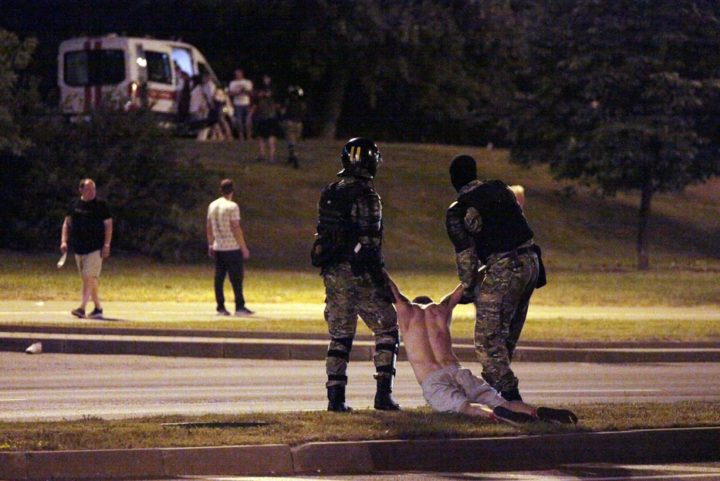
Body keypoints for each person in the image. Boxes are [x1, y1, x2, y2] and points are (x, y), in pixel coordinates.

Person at [386, 273, 577, 426]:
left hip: (433, 379)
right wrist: (486, 266)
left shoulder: (406, 311)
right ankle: (535, 412)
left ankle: (494, 415)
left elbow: (392, 289)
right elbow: (462, 287)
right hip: (458, 371)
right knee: (504, 402)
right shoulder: (441, 310)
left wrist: (376, 264)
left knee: (464, 407)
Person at [445, 155, 546, 402]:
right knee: (505, 336)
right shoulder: (500, 189)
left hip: (505, 267)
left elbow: (466, 257)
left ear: (454, 180)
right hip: (532, 263)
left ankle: (513, 401)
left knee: (488, 342)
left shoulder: (460, 210)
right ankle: (494, 396)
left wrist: (468, 288)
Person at [311, 138, 400, 412]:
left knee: (340, 335)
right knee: (387, 328)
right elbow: (369, 245)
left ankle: (335, 399)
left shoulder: (330, 192)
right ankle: (383, 394)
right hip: (360, 273)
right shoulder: (368, 196)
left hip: (333, 272)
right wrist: (382, 282)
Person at [60, 178, 113, 319]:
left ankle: (82, 308)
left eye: (93, 188)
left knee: (88, 276)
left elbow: (108, 225)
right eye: (88, 189)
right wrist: (64, 241)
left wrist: (106, 244)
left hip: (95, 248)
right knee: (89, 279)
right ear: (81, 190)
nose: (92, 191)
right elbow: (66, 224)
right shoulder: (74, 204)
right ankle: (98, 308)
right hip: (79, 247)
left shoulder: (101, 205)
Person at [206, 178, 253, 316]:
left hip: (218, 246)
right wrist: (243, 247)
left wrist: (211, 243)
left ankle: (220, 306)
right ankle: (239, 306)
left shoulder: (212, 205)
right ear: (232, 191)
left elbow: (209, 226)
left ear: (221, 190)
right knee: (236, 278)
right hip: (231, 247)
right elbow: (235, 227)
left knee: (219, 277)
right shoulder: (232, 207)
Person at [251, 74, 281, 162]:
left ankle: (271, 156)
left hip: (270, 115)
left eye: (267, 78)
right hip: (262, 116)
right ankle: (262, 154)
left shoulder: (273, 89)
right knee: (261, 136)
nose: (266, 80)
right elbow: (256, 101)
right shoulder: (260, 90)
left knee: (271, 136)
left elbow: (275, 100)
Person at [281, 85, 306, 169]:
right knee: (294, 141)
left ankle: (294, 158)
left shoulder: (288, 102)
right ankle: (292, 157)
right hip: (298, 123)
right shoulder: (301, 103)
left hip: (290, 122)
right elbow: (303, 112)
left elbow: (283, 112)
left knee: (291, 142)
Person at [228, 69, 253, 140]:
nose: (237, 75)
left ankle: (249, 135)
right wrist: (239, 92)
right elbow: (230, 93)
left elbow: (250, 93)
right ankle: (240, 135)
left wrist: (244, 91)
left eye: (239, 74)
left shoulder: (247, 82)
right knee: (239, 121)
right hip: (237, 104)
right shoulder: (232, 83)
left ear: (242, 74)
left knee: (248, 120)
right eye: (236, 74)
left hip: (246, 103)